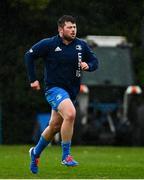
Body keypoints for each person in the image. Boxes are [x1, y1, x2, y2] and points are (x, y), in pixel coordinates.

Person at [24, 15, 99, 174]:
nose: (73, 30)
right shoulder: (49, 44)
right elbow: (29, 55)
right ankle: (66, 155)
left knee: (54, 126)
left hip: (71, 92)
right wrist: (33, 80)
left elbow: (95, 61)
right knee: (71, 114)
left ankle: (35, 153)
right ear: (60, 29)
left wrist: (88, 65)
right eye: (69, 27)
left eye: (74, 27)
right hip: (53, 89)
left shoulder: (81, 45)